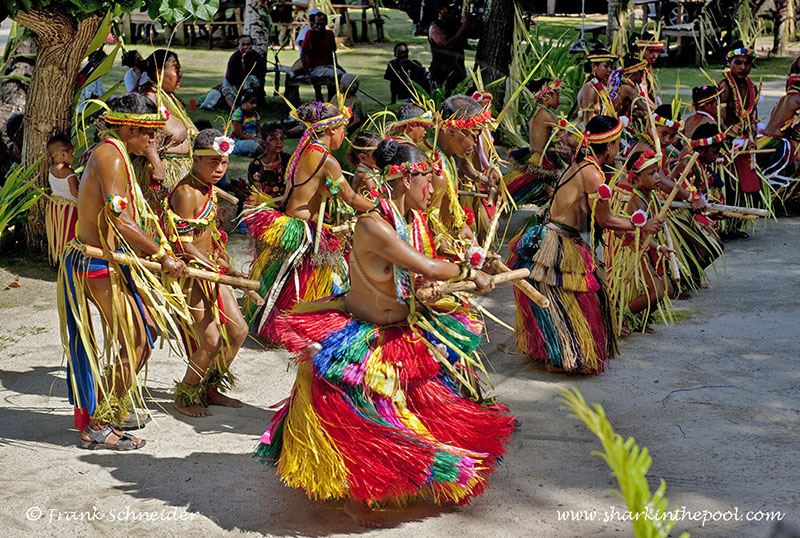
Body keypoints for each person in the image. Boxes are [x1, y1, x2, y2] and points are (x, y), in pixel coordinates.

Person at [255, 139, 514, 527]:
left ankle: (405, 473)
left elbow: (435, 256)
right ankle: (357, 495)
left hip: (402, 326)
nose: (433, 189)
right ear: (405, 179)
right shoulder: (374, 224)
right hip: (367, 333)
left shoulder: (413, 219)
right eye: (427, 180)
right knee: (366, 421)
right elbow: (425, 265)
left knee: (425, 404)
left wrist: (475, 259)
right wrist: (468, 275)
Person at [58, 92, 189, 450]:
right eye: (149, 136)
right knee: (136, 339)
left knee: (144, 334)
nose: (153, 142)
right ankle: (100, 423)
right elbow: (120, 219)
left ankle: (113, 409)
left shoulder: (116, 152)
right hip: (95, 263)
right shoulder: (110, 156)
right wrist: (162, 254)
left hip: (106, 260)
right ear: (131, 128)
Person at [508, 115, 665, 374]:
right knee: (573, 304)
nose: (620, 149)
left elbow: (590, 218)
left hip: (556, 236)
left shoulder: (580, 165)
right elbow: (604, 219)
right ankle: (560, 356)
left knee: (573, 303)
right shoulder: (592, 173)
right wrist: (641, 226)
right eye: (617, 143)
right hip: (557, 241)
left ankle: (557, 352)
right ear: (610, 146)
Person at [242, 101, 375, 345]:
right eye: (343, 129)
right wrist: (382, 207)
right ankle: (296, 327)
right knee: (324, 279)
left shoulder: (304, 150)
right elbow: (352, 198)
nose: (344, 136)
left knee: (294, 284)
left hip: (292, 222)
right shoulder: (326, 160)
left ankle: (284, 326)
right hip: (304, 231)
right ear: (332, 129)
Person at [161, 129, 249, 417]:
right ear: (195, 160)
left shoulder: (208, 189)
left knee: (238, 331)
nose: (220, 169)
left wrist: (224, 261)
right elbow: (182, 244)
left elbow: (207, 235)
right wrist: (212, 266)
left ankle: (210, 388)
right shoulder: (186, 193)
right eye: (213, 162)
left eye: (223, 162)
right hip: (188, 275)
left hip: (211, 269)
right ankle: (185, 395)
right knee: (210, 340)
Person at [604, 151, 675, 335]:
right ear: (635, 180)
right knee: (657, 292)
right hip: (633, 251)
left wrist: (659, 247)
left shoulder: (649, 197)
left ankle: (638, 320)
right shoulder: (637, 202)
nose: (658, 176)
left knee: (665, 287)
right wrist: (657, 247)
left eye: (658, 171)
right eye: (651, 174)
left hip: (643, 248)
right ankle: (618, 317)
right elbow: (633, 235)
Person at [136, 49, 198, 209]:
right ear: (159, 72)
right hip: (162, 174)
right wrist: (157, 165)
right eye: (176, 70)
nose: (180, 74)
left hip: (179, 172)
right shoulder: (150, 96)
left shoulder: (167, 96)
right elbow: (143, 132)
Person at [717, 44, 766, 239]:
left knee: (743, 186)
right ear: (729, 63)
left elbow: (753, 115)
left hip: (745, 143)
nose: (743, 68)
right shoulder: (724, 86)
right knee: (728, 185)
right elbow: (718, 119)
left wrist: (752, 137)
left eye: (747, 64)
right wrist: (727, 136)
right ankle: (723, 227)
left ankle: (735, 226)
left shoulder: (751, 86)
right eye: (738, 63)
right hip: (727, 144)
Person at [432, 94, 492, 240]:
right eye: (473, 135)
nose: (476, 143)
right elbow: (430, 223)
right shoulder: (432, 168)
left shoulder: (449, 158)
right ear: (451, 131)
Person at [505, 78, 570, 206]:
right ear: (547, 95)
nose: (559, 98)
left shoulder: (534, 112)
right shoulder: (548, 116)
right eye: (557, 94)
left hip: (532, 156)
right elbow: (566, 141)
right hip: (543, 161)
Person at [298, 13, 357, 102]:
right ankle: (320, 97)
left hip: (328, 66)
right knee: (339, 75)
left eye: (322, 24)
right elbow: (303, 54)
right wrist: (308, 74)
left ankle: (331, 100)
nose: (319, 27)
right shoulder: (310, 34)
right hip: (315, 68)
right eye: (317, 24)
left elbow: (332, 53)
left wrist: (336, 65)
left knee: (343, 75)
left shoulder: (329, 34)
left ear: (326, 23)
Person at [45, 134, 79, 265]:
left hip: (56, 208)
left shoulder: (51, 170)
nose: (73, 156)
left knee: (59, 235)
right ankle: (71, 262)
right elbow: (75, 192)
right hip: (70, 210)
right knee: (71, 235)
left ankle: (61, 259)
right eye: (72, 153)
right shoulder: (69, 173)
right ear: (64, 154)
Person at [428, 1, 471, 93]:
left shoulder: (454, 24)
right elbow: (446, 45)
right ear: (440, 10)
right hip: (442, 75)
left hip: (458, 73)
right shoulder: (435, 27)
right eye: (448, 9)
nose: (452, 12)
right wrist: (463, 27)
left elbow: (474, 34)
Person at [222, 34, 266, 109]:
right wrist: (242, 62)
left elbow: (260, 74)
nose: (245, 47)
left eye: (248, 44)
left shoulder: (257, 57)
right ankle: (235, 110)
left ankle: (248, 108)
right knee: (227, 89)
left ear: (251, 45)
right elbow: (230, 77)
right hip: (234, 82)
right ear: (239, 46)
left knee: (250, 81)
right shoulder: (234, 58)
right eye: (243, 45)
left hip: (250, 84)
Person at [577, 48, 617, 126]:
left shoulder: (602, 86)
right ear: (594, 66)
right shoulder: (590, 88)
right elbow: (588, 121)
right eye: (606, 66)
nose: (610, 70)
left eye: (610, 67)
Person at [247, 124, 290, 197]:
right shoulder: (256, 165)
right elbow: (259, 194)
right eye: (273, 139)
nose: (279, 142)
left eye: (282, 138)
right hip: (265, 203)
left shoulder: (287, 159)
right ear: (264, 142)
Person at [347, 130, 384, 200]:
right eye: (377, 155)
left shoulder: (371, 171)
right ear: (363, 157)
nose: (382, 157)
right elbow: (376, 201)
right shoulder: (365, 176)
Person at [230, 89, 264, 156]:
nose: (254, 105)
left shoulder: (255, 114)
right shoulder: (238, 115)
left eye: (255, 103)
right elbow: (240, 135)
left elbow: (258, 129)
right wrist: (256, 139)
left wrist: (260, 137)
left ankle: (252, 153)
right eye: (251, 103)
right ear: (243, 102)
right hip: (239, 142)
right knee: (255, 146)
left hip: (254, 139)